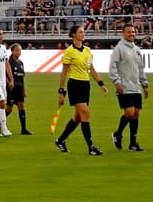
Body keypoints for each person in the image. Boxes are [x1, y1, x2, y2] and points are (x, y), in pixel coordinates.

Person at [55, 25, 108, 155]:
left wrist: (101, 83)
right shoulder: (69, 52)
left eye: (83, 32)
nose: (83, 34)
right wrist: (61, 91)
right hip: (75, 85)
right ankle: (91, 147)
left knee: (78, 117)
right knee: (85, 113)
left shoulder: (87, 51)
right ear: (73, 35)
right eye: (80, 32)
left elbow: (92, 69)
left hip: (86, 85)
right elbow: (64, 72)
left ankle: (61, 140)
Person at [108, 23, 148, 151]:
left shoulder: (136, 49)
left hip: (136, 86)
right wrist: (117, 82)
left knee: (136, 114)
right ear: (123, 34)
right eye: (129, 32)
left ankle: (133, 143)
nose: (132, 34)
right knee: (129, 113)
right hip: (124, 87)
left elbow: (140, 68)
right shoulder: (119, 49)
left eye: (133, 32)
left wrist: (144, 84)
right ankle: (118, 133)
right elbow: (112, 67)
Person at [8, 43, 31, 135]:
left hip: (19, 88)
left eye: (20, 50)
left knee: (21, 106)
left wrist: (24, 89)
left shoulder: (21, 63)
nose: (19, 52)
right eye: (17, 50)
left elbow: (22, 77)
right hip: (12, 89)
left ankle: (23, 129)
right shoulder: (9, 62)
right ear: (12, 51)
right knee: (9, 109)